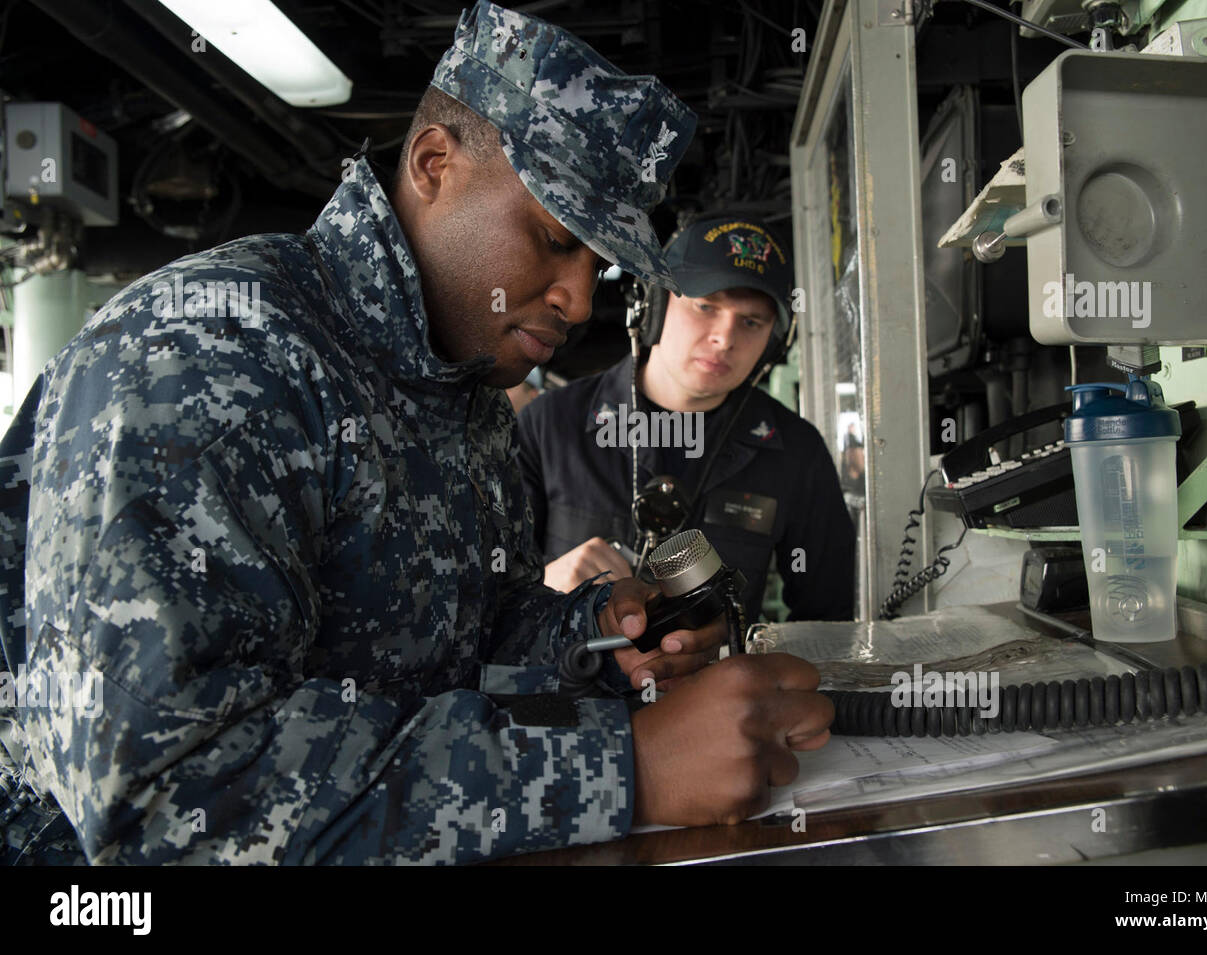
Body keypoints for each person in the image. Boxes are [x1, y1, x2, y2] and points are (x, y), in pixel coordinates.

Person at [0, 0, 832, 865]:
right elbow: (166, 793)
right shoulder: (208, 353)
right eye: (553, 239)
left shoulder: (465, 390)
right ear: (435, 162)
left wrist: (596, 637)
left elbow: (456, 647)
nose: (579, 300)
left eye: (600, 266)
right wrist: (622, 768)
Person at [518, 215, 855, 626]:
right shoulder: (549, 426)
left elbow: (828, 617)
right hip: (577, 683)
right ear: (654, 306)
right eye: (705, 306)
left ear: (773, 343)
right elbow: (488, 600)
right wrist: (546, 588)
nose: (725, 337)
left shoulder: (796, 451)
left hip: (715, 686)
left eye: (751, 322)